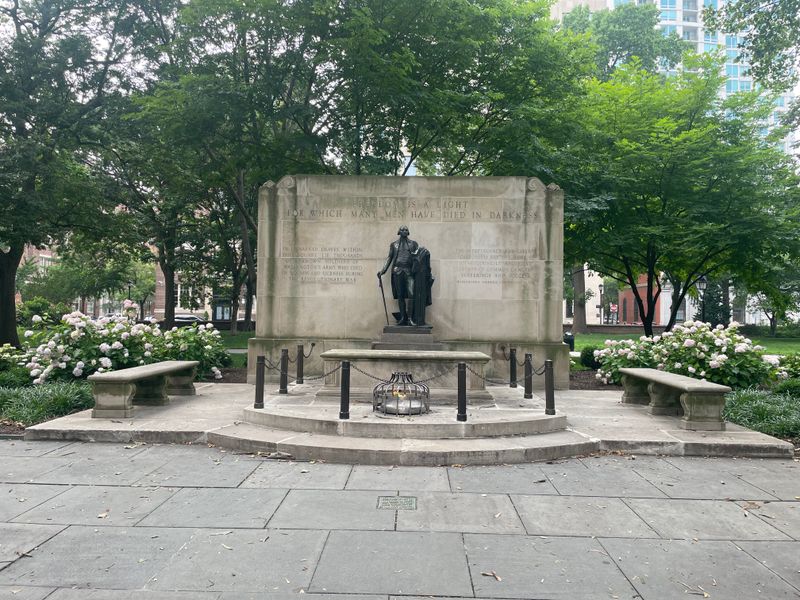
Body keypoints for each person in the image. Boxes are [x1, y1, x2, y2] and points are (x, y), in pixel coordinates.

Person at [377, 226, 433, 326]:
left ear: (408, 232)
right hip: (397, 271)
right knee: (400, 296)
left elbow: (418, 257)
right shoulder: (394, 245)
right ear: (398, 232)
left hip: (409, 272)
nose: (404, 231)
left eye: (406, 230)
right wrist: (383, 271)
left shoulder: (413, 244)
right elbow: (389, 258)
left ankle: (410, 318)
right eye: (402, 230)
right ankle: (403, 318)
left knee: (411, 294)